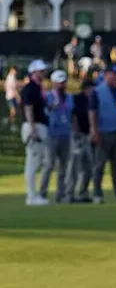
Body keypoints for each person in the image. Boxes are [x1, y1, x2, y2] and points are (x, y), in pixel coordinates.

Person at [90, 66, 116, 203]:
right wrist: (94, 131)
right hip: (103, 131)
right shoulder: (97, 92)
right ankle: (97, 193)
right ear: (105, 75)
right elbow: (92, 112)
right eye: (112, 74)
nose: (114, 77)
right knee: (99, 165)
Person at [20, 59, 51, 206]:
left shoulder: (38, 88)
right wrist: (33, 129)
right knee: (32, 163)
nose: (43, 73)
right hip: (34, 127)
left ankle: (33, 194)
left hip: (39, 126)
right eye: (40, 71)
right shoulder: (30, 88)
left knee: (38, 162)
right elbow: (28, 109)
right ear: (33, 72)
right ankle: (31, 197)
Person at [39, 70, 73, 203]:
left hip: (66, 133)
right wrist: (51, 107)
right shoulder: (48, 96)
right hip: (51, 134)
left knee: (63, 166)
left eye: (63, 82)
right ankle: (42, 193)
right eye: (59, 83)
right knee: (49, 165)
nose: (62, 85)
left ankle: (60, 194)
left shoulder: (69, 97)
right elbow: (43, 112)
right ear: (53, 83)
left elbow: (72, 114)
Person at [68, 78, 95, 203]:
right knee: (74, 166)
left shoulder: (94, 100)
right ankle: (69, 193)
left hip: (89, 136)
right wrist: (75, 131)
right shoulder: (77, 99)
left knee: (88, 167)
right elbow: (73, 116)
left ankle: (83, 192)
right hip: (78, 136)